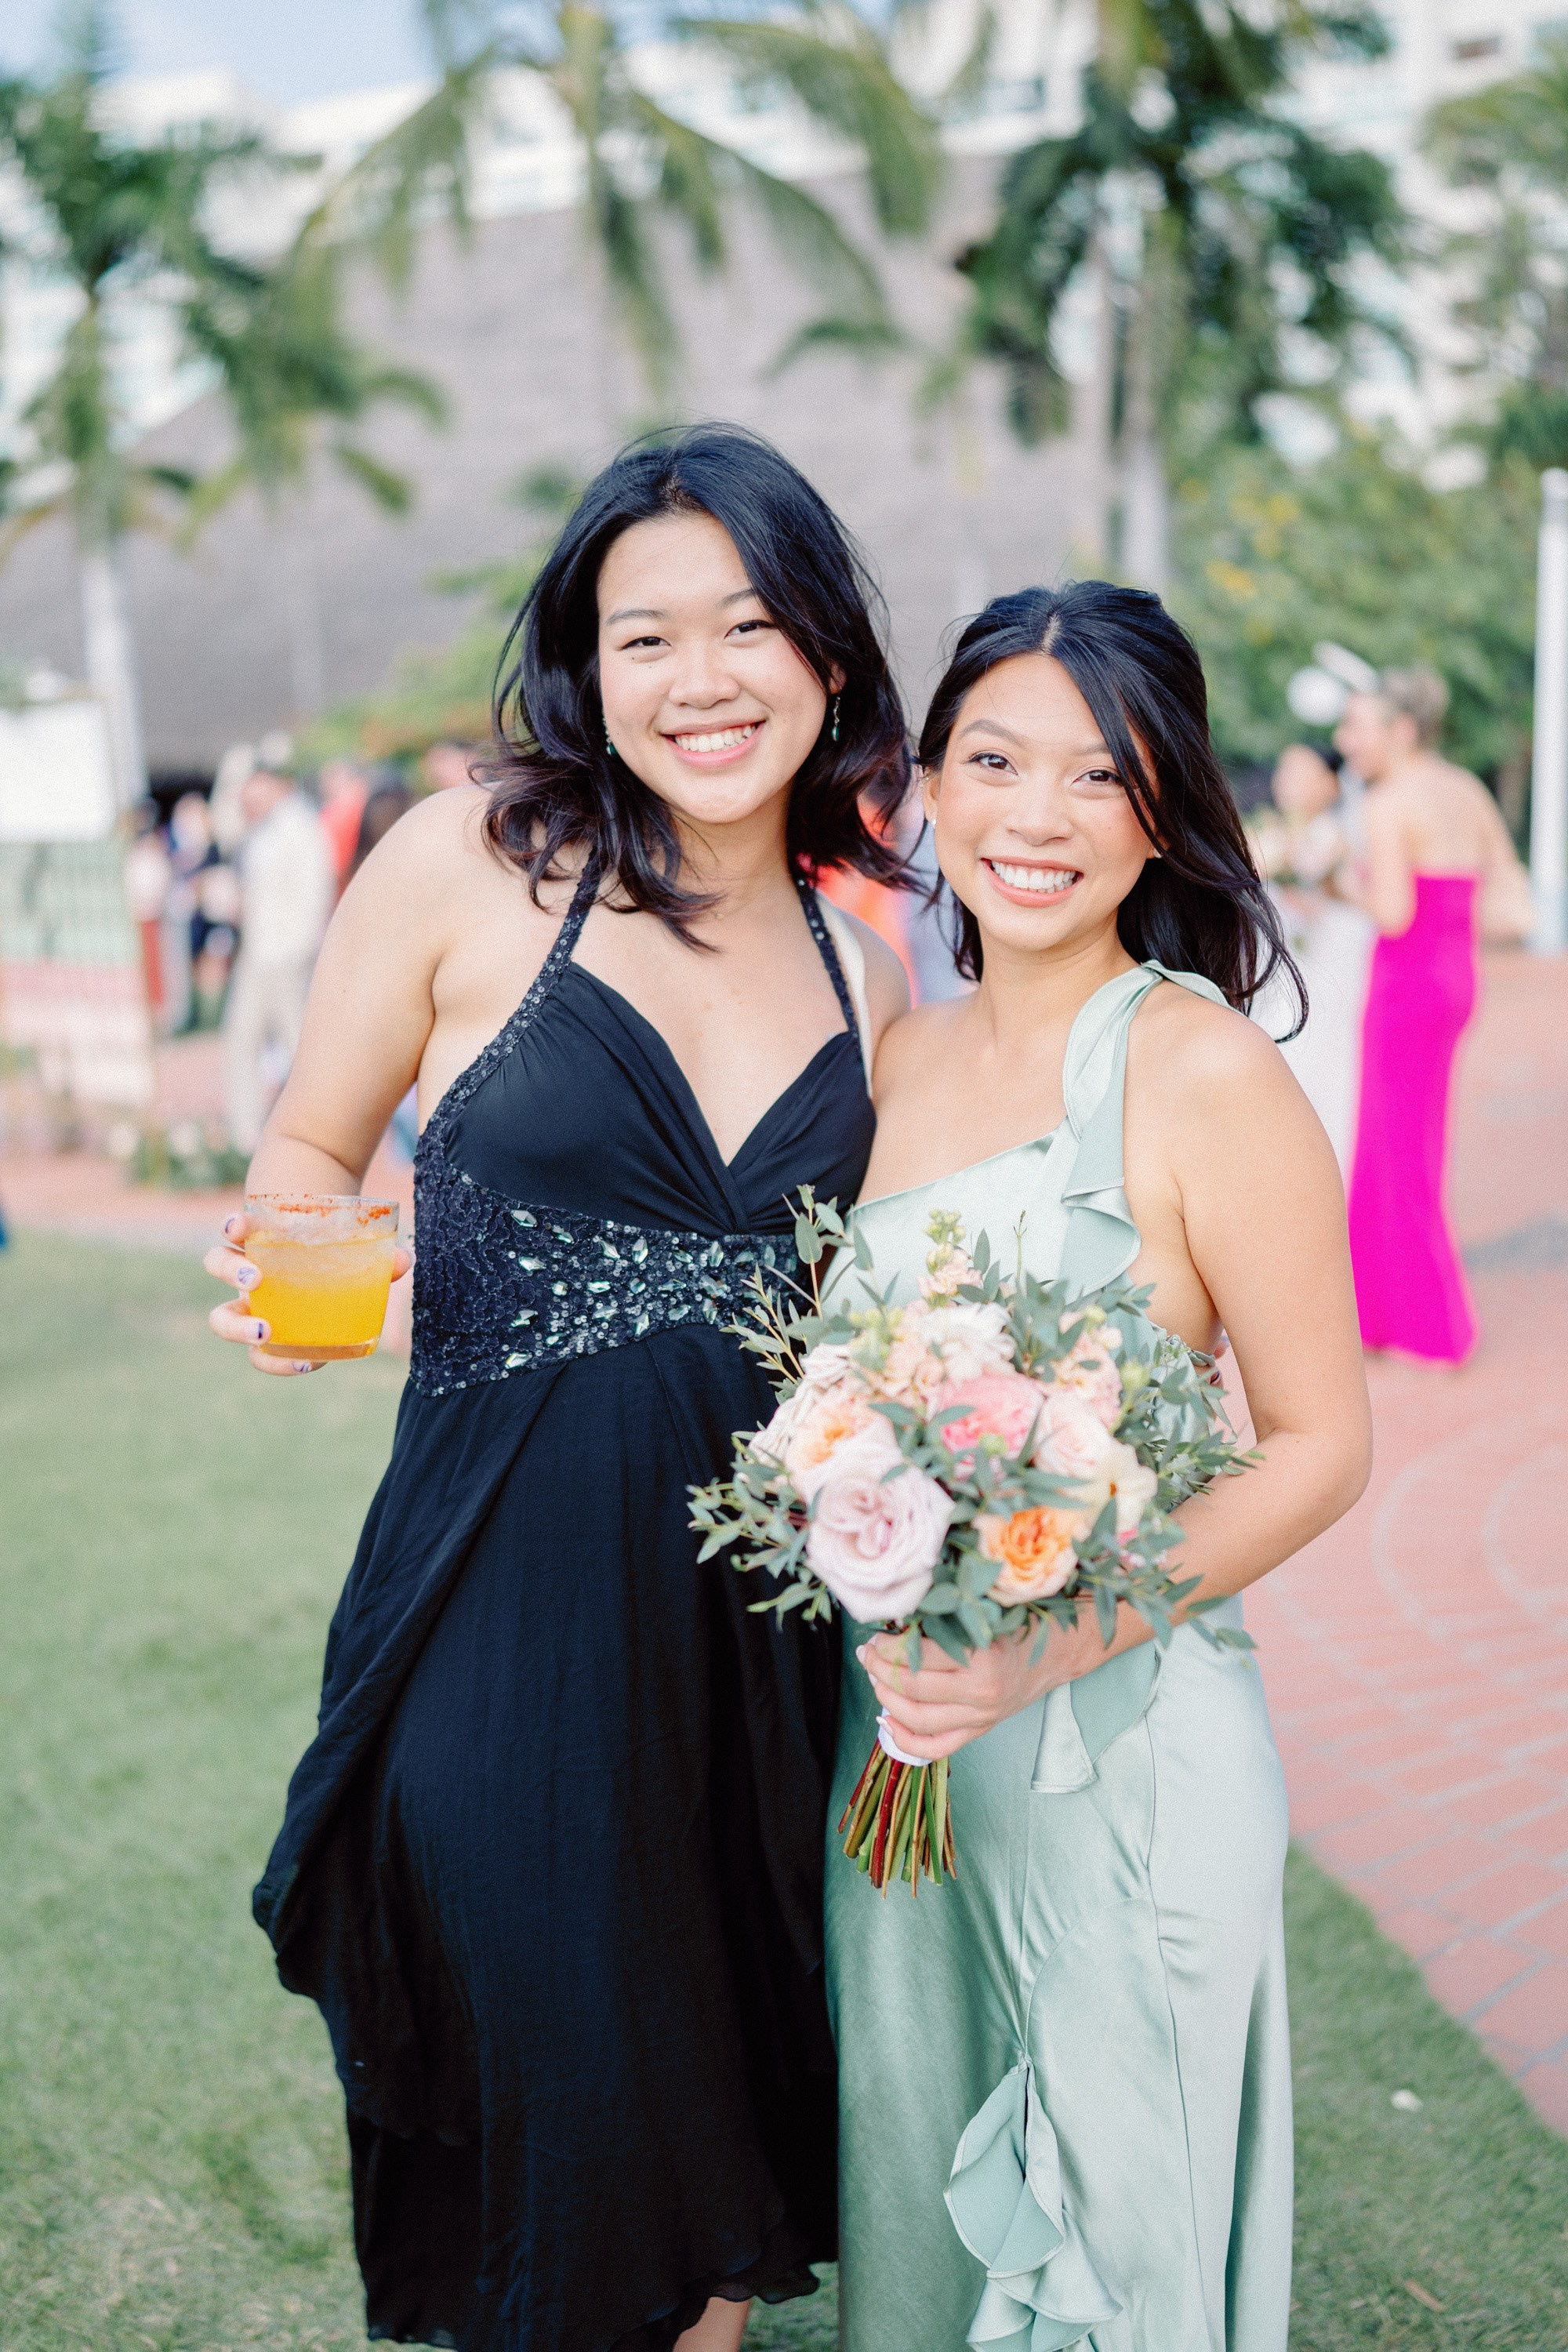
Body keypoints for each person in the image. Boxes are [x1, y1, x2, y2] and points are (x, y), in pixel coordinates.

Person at [204, 426, 910, 2351]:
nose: (699, 677)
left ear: (827, 658)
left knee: (700, 2200)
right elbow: (307, 1156)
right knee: (580, 2133)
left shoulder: (871, 978)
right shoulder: (470, 864)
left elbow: (892, 1323)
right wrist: (301, 1291)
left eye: (748, 624)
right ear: (586, 666)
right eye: (644, 632)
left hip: (759, 1663)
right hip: (495, 1632)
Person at [824, 584, 1372, 2351]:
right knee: (917, 2197)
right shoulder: (898, 1054)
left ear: (1161, 810)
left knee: (1109, 2249)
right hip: (898, 1760)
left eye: (1097, 775)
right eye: (993, 761)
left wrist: (1034, 1651)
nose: (1035, 818)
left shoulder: (1200, 1064)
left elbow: (1321, 1445)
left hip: (1109, 1761)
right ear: (928, 782)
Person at [1334, 666, 1533, 1365]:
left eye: (1358, 726)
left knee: (1391, 1146)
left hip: (1407, 980)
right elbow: (1509, 880)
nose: (1345, 739)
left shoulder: (1389, 803)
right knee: (1414, 1143)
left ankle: (1430, 1323)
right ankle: (1385, 1315)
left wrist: (1335, 886)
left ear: (1403, 729)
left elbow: (1392, 912)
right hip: (1456, 977)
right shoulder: (1466, 789)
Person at [1248, 742, 1373, 1172]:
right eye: (1284, 772)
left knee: (1324, 1059)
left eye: (1302, 773)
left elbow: (1359, 902)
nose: (1288, 783)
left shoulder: (1341, 840)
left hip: (1328, 963)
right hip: (1276, 965)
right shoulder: (1268, 833)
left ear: (1331, 784)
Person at [222, 760, 335, 1153]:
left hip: (288, 956)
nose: (250, 799)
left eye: (257, 790)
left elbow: (316, 892)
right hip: (258, 954)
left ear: (276, 786)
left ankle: (318, 1133)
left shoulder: (300, 827)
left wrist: (303, 952)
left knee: (296, 1045)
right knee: (242, 1038)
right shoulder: (260, 832)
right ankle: (246, 1136)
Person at [318, 756, 372, 891]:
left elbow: (334, 865)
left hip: (347, 888)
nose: (323, 784)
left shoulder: (344, 808)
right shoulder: (366, 800)